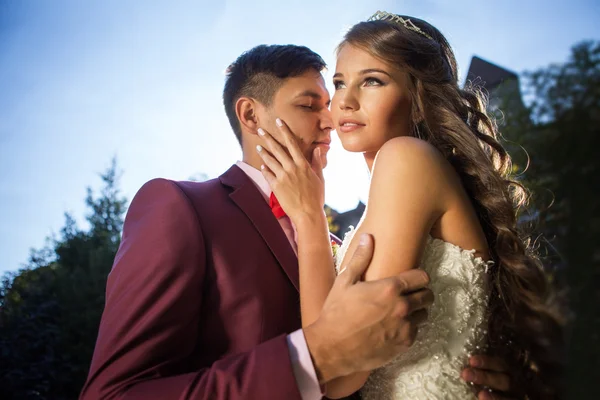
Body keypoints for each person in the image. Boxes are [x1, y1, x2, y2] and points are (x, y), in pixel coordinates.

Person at [81, 44, 516, 400]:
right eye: (311, 105)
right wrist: (312, 357)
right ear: (250, 116)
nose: (331, 121)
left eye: (330, 103)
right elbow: (114, 394)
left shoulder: (342, 237)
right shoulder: (180, 206)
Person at [256, 12, 565, 400]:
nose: (345, 101)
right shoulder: (407, 180)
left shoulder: (406, 159)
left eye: (371, 81)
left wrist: (308, 215)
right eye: (339, 82)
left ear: (418, 102)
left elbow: (336, 374)